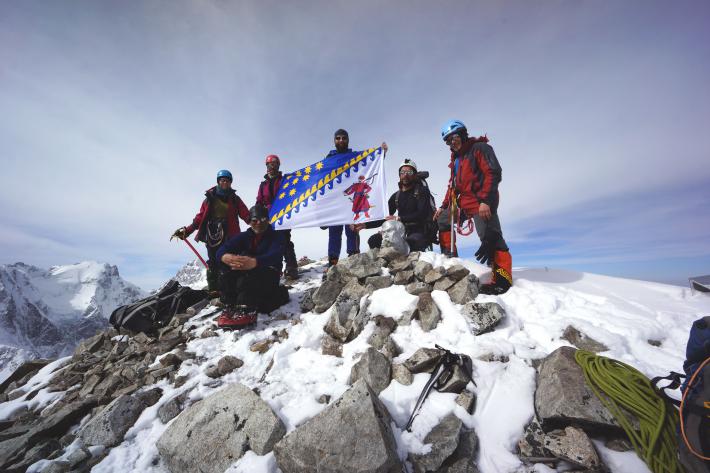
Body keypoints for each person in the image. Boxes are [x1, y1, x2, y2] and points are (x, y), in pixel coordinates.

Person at [434, 120, 513, 295]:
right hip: (464, 203)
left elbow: (493, 173)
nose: (451, 143)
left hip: (481, 202)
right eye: (447, 141)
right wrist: (443, 206)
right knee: (443, 218)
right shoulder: (456, 159)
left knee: (490, 237)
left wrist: (486, 201)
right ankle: (449, 256)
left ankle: (502, 281)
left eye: (453, 138)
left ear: (462, 134)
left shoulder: (479, 148)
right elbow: (452, 186)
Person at [172, 170, 250, 295]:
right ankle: (214, 290)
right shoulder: (209, 198)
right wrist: (188, 230)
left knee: (231, 260)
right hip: (213, 235)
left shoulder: (235, 199)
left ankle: (231, 288)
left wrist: (256, 222)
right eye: (222, 180)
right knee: (213, 262)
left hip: (231, 235)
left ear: (230, 183)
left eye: (227, 180)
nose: (224, 182)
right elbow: (200, 217)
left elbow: (245, 214)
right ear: (218, 181)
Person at [216, 205, 289, 329]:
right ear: (250, 221)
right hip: (248, 272)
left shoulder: (277, 235)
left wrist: (255, 262)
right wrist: (225, 257)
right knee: (226, 273)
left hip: (269, 273)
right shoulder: (244, 236)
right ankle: (230, 306)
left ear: (268, 220)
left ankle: (247, 311)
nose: (259, 223)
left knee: (249, 277)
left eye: (263, 219)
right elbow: (222, 250)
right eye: (255, 220)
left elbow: (275, 255)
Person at [324, 128, 388, 268]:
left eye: (344, 138)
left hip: (351, 201)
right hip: (335, 200)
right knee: (334, 231)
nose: (341, 140)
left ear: (348, 140)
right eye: (338, 138)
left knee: (352, 228)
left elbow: (370, 164)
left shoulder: (355, 156)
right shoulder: (328, 159)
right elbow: (320, 177)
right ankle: (333, 261)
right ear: (334, 141)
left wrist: (381, 154)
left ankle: (353, 256)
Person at [366, 158, 436, 252]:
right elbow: (384, 216)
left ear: (415, 175)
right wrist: (365, 225)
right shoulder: (396, 196)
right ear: (399, 175)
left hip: (419, 230)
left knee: (413, 242)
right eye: (402, 172)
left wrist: (399, 218)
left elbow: (422, 214)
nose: (405, 175)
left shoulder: (422, 191)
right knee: (374, 240)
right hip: (399, 231)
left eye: (409, 172)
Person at [256, 154, 299, 279]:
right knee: (271, 242)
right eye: (269, 164)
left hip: (283, 215)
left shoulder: (284, 180)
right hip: (268, 217)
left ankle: (291, 267)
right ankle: (275, 268)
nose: (271, 166)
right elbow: (259, 201)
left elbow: (291, 194)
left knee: (284, 240)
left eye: (274, 164)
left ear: (278, 165)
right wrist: (256, 214)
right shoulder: (263, 185)